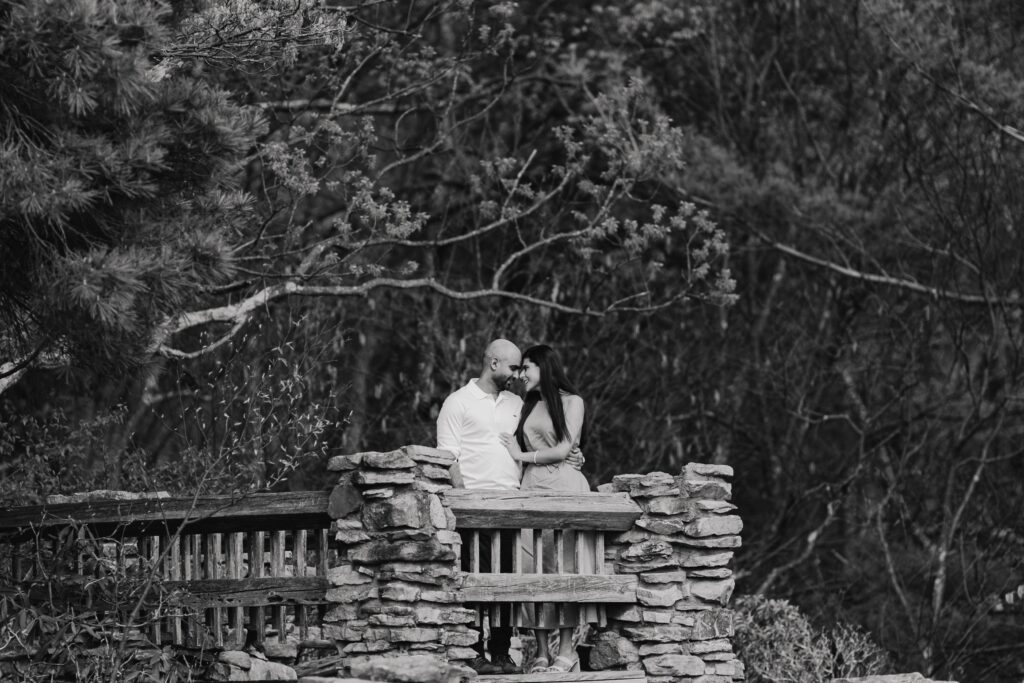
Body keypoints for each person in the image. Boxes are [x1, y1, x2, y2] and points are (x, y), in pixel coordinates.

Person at [436, 338, 586, 674]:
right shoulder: (458, 402)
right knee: (475, 581)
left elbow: (552, 441)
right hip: (475, 503)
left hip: (516, 503)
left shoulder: (518, 403)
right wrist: (463, 499)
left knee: (510, 584)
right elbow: (448, 457)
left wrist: (574, 454)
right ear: (493, 363)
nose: (517, 374)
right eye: (513, 367)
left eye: (524, 367)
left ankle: (502, 653)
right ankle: (473, 651)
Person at [497, 344, 595, 674]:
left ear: (545, 368)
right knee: (531, 568)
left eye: (527, 367)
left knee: (564, 568)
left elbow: (566, 448)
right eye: (520, 368)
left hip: (564, 487)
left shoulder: (572, 401)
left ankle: (566, 651)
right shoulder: (527, 405)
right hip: (531, 489)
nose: (522, 374)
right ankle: (540, 651)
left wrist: (521, 457)